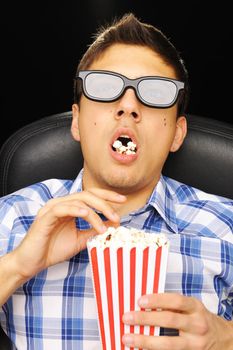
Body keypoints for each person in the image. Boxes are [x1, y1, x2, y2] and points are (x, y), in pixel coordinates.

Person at [0, 12, 233, 350]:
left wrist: (224, 339)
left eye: (155, 93)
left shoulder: (226, 224)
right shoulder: (12, 218)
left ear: (177, 134)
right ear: (77, 122)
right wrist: (18, 264)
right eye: (106, 88)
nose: (128, 105)